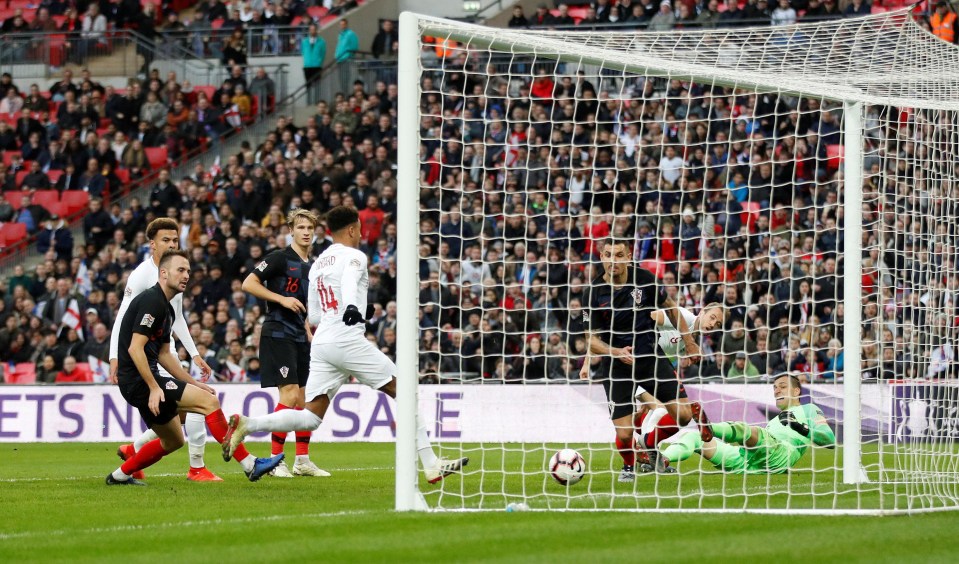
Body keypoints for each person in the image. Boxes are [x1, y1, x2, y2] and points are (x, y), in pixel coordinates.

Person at [223, 206, 468, 484]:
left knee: (310, 417)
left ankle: (249, 424)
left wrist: (359, 309)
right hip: (344, 338)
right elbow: (350, 282)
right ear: (352, 229)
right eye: (360, 228)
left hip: (323, 342)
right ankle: (431, 463)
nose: (361, 233)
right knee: (405, 389)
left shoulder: (318, 264)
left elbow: (314, 315)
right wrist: (353, 306)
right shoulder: (354, 256)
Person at [106, 249, 284, 485]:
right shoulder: (151, 301)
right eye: (180, 270)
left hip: (142, 379)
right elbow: (134, 349)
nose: (186, 275)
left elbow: (164, 355)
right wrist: (154, 387)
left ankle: (119, 476)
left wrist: (194, 382)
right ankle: (250, 464)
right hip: (139, 380)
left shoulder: (167, 308)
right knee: (208, 403)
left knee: (174, 441)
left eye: (188, 271)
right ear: (163, 273)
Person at [582, 238, 709, 482]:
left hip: (650, 358)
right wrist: (616, 352)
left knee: (683, 417)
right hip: (616, 367)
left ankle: (650, 438)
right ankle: (629, 466)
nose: (613, 261)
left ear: (628, 256)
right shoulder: (593, 293)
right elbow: (591, 340)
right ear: (601, 257)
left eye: (619, 255)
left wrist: (691, 342)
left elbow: (671, 308)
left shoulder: (645, 279)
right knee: (625, 433)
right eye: (608, 255)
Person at [109, 218, 222, 482]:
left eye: (175, 240)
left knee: (178, 428)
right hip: (140, 361)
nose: (172, 244)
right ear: (152, 245)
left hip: (159, 354)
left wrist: (194, 354)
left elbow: (177, 319)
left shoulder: (175, 274)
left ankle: (132, 457)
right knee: (198, 404)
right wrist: (114, 355)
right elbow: (122, 317)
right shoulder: (141, 277)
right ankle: (202, 466)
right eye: (166, 240)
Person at [240, 209, 328, 478]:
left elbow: (302, 305)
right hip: (277, 333)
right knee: (289, 396)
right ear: (291, 230)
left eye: (310, 228)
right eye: (300, 227)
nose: (305, 232)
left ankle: (302, 460)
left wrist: (308, 331)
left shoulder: (312, 267)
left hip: (299, 335)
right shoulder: (279, 258)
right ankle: (276, 461)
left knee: (303, 401)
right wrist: (281, 299)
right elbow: (248, 283)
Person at [658, 374, 835, 473]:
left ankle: (710, 428)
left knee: (750, 431)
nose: (776, 390)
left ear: (796, 391)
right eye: (774, 387)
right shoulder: (775, 421)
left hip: (779, 454)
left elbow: (830, 440)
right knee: (693, 437)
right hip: (746, 459)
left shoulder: (809, 409)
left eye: (782, 386)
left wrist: (800, 427)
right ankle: (662, 460)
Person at [301, 24, 327, 105]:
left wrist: (319, 61)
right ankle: (308, 102)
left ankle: (317, 102)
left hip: (316, 66)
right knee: (308, 85)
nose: (312, 31)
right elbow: (303, 52)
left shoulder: (321, 41)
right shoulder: (304, 41)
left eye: (314, 29)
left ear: (316, 30)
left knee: (317, 85)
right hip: (307, 66)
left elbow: (323, 53)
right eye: (311, 29)